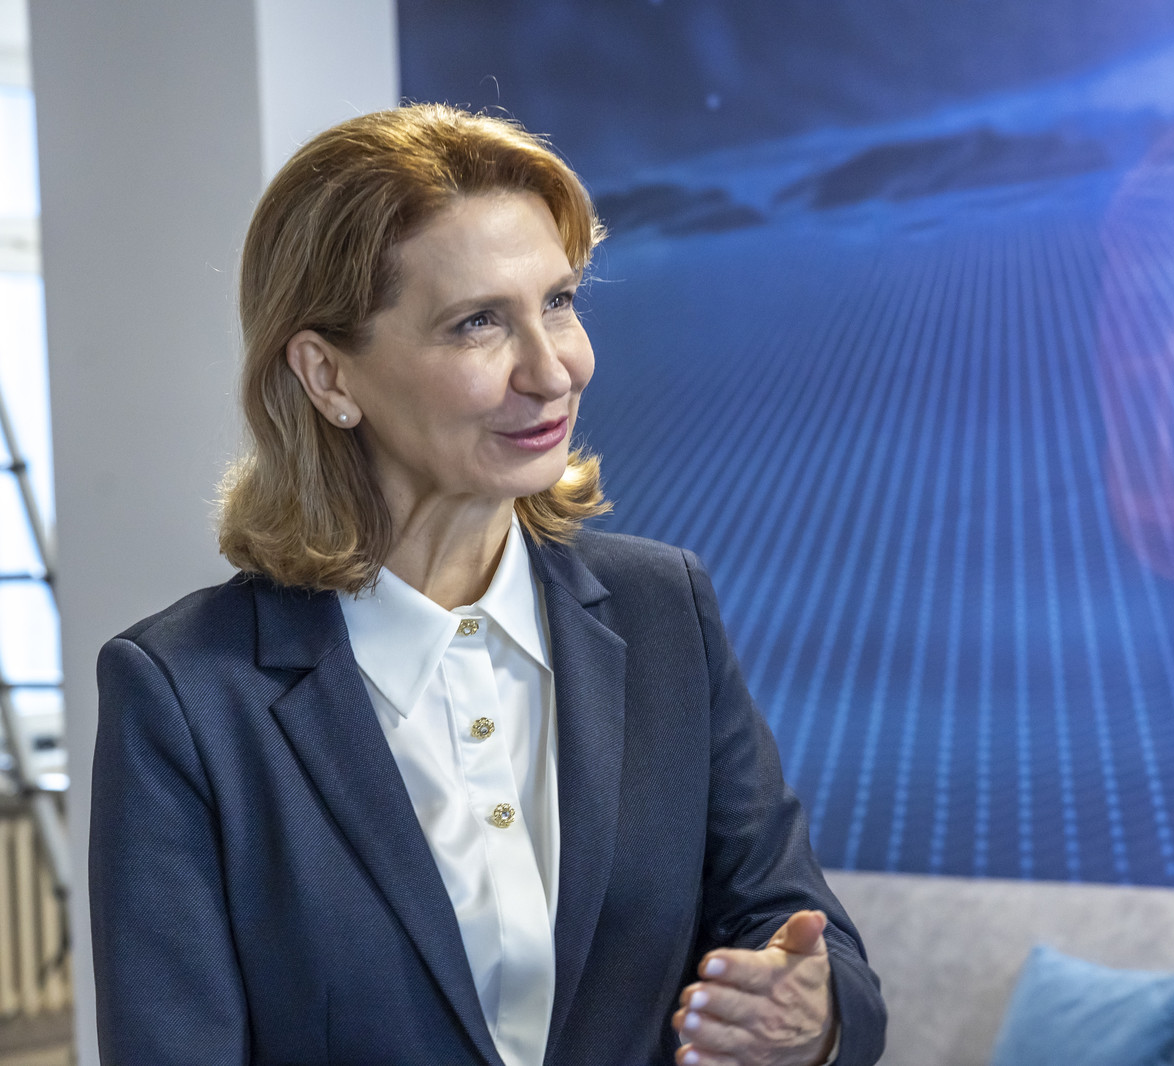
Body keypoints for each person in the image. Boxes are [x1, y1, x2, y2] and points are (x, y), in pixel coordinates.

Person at [89, 103, 887, 1066]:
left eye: (559, 301)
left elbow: (795, 930)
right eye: (478, 324)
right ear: (328, 375)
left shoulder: (664, 609)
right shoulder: (185, 695)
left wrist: (808, 1016)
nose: (554, 371)